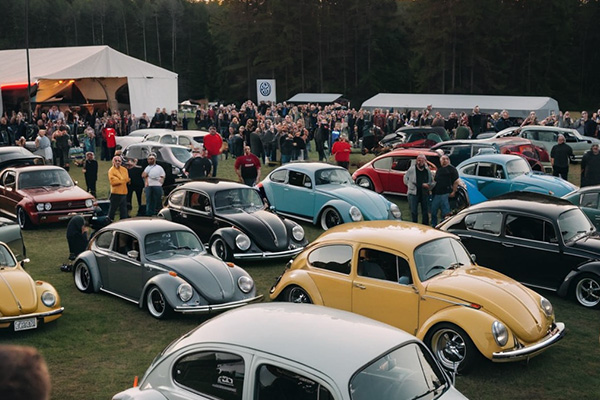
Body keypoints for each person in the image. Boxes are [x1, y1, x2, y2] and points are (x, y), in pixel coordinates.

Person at [403, 154, 433, 225]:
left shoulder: (427, 170)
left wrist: (428, 185)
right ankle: (414, 225)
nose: (421, 162)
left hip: (424, 193)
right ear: (416, 161)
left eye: (423, 160)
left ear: (425, 161)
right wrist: (410, 186)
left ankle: (425, 225)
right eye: (419, 160)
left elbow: (431, 180)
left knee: (425, 211)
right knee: (414, 211)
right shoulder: (412, 169)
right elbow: (405, 178)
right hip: (413, 193)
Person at [430, 154, 459, 226]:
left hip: (446, 193)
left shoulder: (452, 169)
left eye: (446, 159)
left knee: (445, 212)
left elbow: (456, 181)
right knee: (433, 211)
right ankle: (434, 225)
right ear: (440, 161)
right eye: (443, 159)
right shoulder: (439, 169)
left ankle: (444, 226)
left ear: (449, 161)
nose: (445, 161)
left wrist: (454, 191)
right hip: (436, 193)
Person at [107, 156, 130, 221]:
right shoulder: (111, 170)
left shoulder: (124, 169)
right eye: (116, 160)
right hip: (115, 193)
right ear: (113, 162)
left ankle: (123, 221)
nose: (117, 162)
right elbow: (113, 182)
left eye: (119, 161)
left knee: (124, 210)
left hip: (124, 192)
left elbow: (127, 178)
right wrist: (123, 180)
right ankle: (109, 221)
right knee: (112, 209)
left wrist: (120, 179)